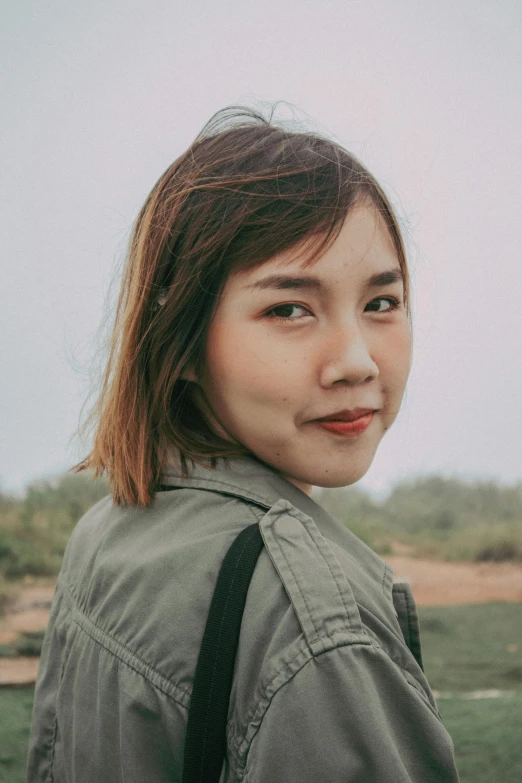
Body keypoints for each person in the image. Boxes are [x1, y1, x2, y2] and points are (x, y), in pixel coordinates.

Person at [26, 105, 460, 782]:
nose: (355, 362)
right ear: (184, 341)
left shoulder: (106, 534)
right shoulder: (312, 616)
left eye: (381, 302)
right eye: (288, 308)